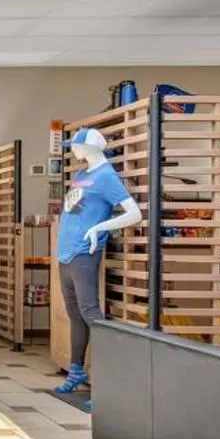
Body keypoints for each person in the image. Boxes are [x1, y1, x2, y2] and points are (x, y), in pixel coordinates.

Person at [55, 128, 142, 397]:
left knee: (91, 314)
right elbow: (76, 211)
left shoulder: (106, 176)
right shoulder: (81, 175)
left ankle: (111, 385)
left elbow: (134, 214)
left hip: (84, 253)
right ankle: (76, 370)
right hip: (65, 254)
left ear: (91, 146)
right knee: (76, 317)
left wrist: (100, 228)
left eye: (76, 146)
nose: (73, 150)